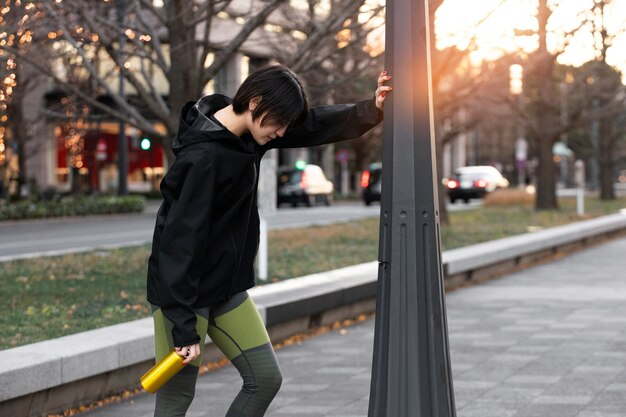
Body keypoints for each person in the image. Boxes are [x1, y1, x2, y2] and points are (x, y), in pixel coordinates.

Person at [147, 64, 392, 417]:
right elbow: (177, 245)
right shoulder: (202, 159)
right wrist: (182, 325)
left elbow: (310, 125)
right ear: (256, 102)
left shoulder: (247, 131)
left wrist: (371, 108)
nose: (281, 134)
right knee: (176, 398)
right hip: (182, 295)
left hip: (225, 288)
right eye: (279, 123)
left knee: (264, 378)